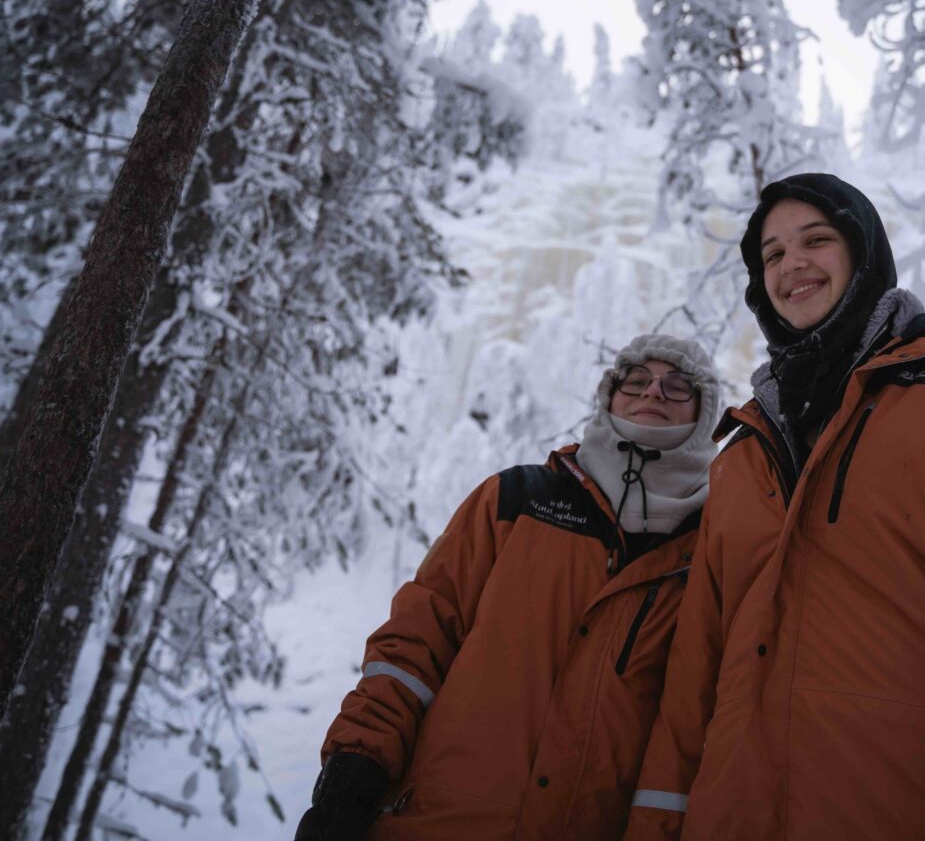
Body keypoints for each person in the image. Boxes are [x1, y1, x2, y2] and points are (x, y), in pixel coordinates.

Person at [624, 173, 925, 839]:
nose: (791, 265)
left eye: (816, 240)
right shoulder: (743, 457)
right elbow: (693, 686)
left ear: (864, 253)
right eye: (771, 255)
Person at [296, 334, 720, 840]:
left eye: (677, 387)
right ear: (609, 395)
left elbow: (692, 729)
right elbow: (417, 640)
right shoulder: (516, 499)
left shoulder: (713, 543)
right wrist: (355, 765)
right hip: (437, 824)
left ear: (704, 412)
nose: (653, 393)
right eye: (636, 380)